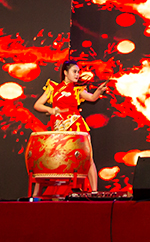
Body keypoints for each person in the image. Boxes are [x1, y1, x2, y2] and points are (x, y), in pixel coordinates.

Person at [33, 60, 110, 192]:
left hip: (77, 127)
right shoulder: (53, 88)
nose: (77, 74)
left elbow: (92, 98)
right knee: (51, 159)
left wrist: (98, 91)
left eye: (78, 72)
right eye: (74, 71)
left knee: (88, 158)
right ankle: (35, 195)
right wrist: (50, 110)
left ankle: (94, 191)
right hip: (60, 128)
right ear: (65, 72)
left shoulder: (77, 90)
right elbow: (37, 105)